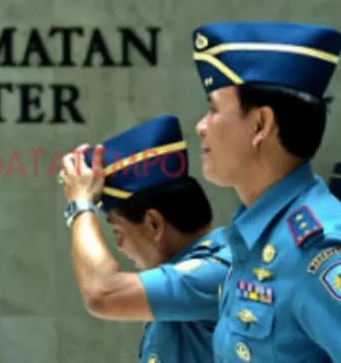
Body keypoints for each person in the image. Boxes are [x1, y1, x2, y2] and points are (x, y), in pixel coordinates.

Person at [191, 21, 341, 362]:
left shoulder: (317, 254)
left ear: (260, 124)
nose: (200, 126)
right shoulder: (259, 236)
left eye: (213, 109)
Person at [57, 114, 231, 363]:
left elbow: (102, 293)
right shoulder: (181, 273)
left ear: (153, 224)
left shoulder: (216, 272)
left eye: (118, 232)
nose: (119, 246)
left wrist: (81, 206)